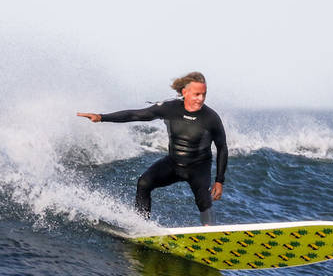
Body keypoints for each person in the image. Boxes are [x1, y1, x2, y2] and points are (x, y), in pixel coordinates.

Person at [78, 71, 227, 225]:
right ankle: (141, 226)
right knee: (144, 183)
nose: (201, 99)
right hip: (174, 163)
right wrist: (102, 117)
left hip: (199, 167)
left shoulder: (211, 118)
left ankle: (209, 233)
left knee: (204, 200)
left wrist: (219, 181)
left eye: (204, 94)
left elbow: (222, 147)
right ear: (185, 92)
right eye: (197, 94)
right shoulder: (169, 108)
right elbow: (134, 115)